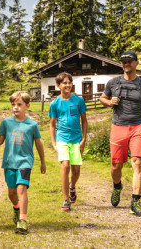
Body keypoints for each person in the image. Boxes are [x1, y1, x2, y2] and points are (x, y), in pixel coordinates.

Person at [98, 51, 141, 217]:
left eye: (130, 61)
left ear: (136, 63)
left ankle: (136, 201)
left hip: (137, 127)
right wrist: (109, 101)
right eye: (124, 62)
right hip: (118, 126)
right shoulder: (113, 82)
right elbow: (102, 98)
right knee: (115, 166)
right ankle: (117, 186)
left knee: (137, 162)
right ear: (121, 65)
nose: (127, 64)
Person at [0, 91, 46, 234]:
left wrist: (43, 162)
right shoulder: (6, 123)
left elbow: (39, 144)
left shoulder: (32, 125)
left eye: (19, 104)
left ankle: (23, 220)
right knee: (12, 193)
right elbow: (0, 140)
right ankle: (16, 208)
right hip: (9, 162)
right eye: (13, 105)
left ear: (27, 106)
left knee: (21, 189)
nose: (15, 107)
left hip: (25, 162)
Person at [48, 72, 88, 212]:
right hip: (62, 139)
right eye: (64, 83)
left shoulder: (79, 101)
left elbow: (84, 120)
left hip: (76, 139)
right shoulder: (55, 104)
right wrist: (54, 144)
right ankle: (66, 200)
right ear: (58, 85)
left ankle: (72, 187)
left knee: (76, 169)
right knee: (65, 165)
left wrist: (83, 139)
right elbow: (52, 125)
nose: (67, 85)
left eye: (69, 82)